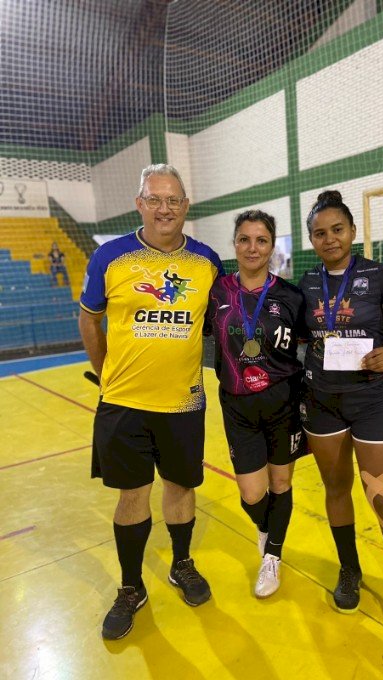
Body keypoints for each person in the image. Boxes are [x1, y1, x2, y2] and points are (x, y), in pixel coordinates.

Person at [79, 164, 224, 640]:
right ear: (140, 203)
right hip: (124, 403)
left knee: (181, 488)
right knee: (132, 494)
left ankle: (182, 564)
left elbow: (215, 327)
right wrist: (105, 376)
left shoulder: (207, 262)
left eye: (174, 200)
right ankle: (130, 586)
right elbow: (89, 319)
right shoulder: (110, 257)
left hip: (183, 403)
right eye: (155, 199)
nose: (165, 208)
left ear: (186, 206)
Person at [298, 190, 383, 626]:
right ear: (310, 239)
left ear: (352, 231)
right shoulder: (308, 283)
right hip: (322, 402)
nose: (329, 239)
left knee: (382, 494)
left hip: (372, 399)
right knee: (335, 490)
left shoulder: (381, 276)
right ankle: (349, 570)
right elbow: (297, 338)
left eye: (337, 230)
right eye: (319, 233)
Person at [207, 209, 307, 598]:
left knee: (281, 482)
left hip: (283, 403)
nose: (253, 247)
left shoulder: (291, 296)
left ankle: (273, 558)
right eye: (245, 239)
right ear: (234, 244)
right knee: (252, 493)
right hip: (237, 406)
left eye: (261, 240)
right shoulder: (216, 292)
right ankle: (267, 529)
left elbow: (312, 343)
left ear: (272, 246)